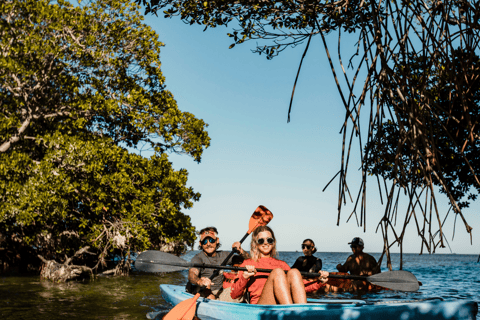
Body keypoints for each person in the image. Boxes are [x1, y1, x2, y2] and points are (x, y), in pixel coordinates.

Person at [230, 226, 329, 305]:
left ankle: (300, 314)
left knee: (294, 272)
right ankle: (293, 314)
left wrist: (319, 282)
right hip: (260, 308)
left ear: (273, 243)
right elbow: (234, 295)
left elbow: (299, 288)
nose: (265, 243)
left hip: (281, 306)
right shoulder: (247, 264)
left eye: (269, 240)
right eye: (261, 241)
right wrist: (244, 277)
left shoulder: (282, 264)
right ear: (255, 244)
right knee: (277, 272)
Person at [187, 227, 248, 300]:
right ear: (200, 244)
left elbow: (249, 260)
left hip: (220, 291)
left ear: (217, 241)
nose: (208, 244)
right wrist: (200, 282)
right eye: (204, 242)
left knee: (243, 292)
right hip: (202, 290)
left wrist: (241, 251)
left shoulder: (224, 255)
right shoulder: (198, 258)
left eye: (211, 240)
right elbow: (192, 275)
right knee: (209, 293)